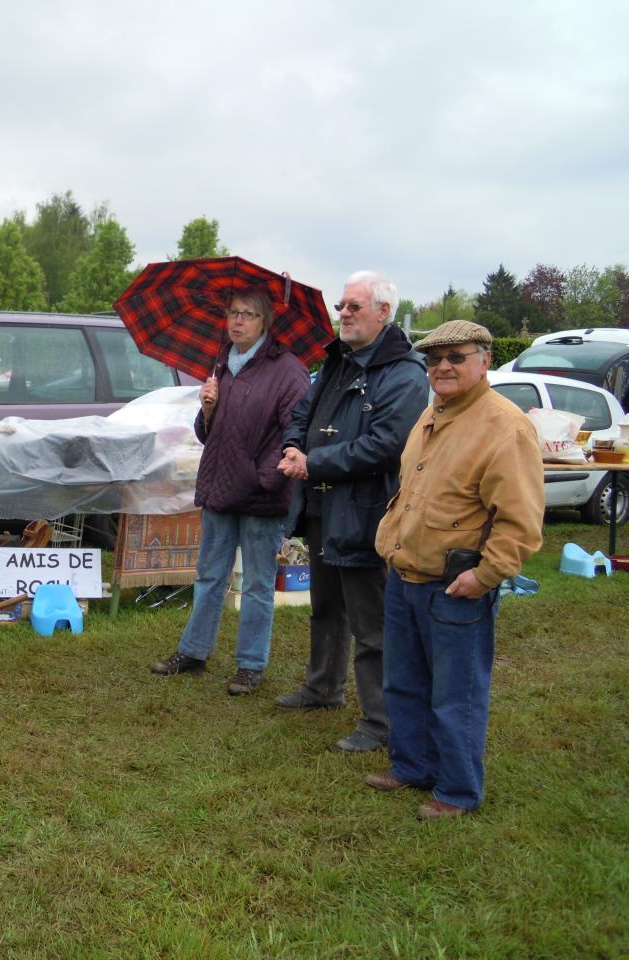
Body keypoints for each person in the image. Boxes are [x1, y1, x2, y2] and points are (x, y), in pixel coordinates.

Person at [369, 320, 543, 818]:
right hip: (406, 577)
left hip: (456, 586)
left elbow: (521, 520)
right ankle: (411, 767)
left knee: (457, 696)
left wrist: (486, 575)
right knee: (403, 683)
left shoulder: (504, 427)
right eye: (434, 359)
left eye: (456, 357)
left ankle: (458, 791)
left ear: (484, 360)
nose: (442, 366)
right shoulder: (433, 414)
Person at [275, 271, 428, 752]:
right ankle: (322, 688)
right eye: (341, 306)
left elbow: (386, 445)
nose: (342, 314)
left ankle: (381, 722)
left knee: (372, 625)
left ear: (383, 312)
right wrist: (294, 446)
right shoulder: (337, 362)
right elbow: (303, 411)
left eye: (353, 306)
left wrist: (314, 461)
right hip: (321, 506)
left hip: (366, 513)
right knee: (325, 607)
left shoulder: (404, 373)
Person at [150, 289, 310, 694]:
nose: (238, 321)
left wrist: (262, 478)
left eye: (249, 315)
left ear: (265, 322)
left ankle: (250, 665)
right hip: (220, 490)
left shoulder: (288, 370)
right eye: (233, 313)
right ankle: (193, 651)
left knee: (256, 585)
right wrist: (206, 408)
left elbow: (295, 433)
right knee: (208, 576)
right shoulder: (222, 364)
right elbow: (209, 434)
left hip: (261, 496)